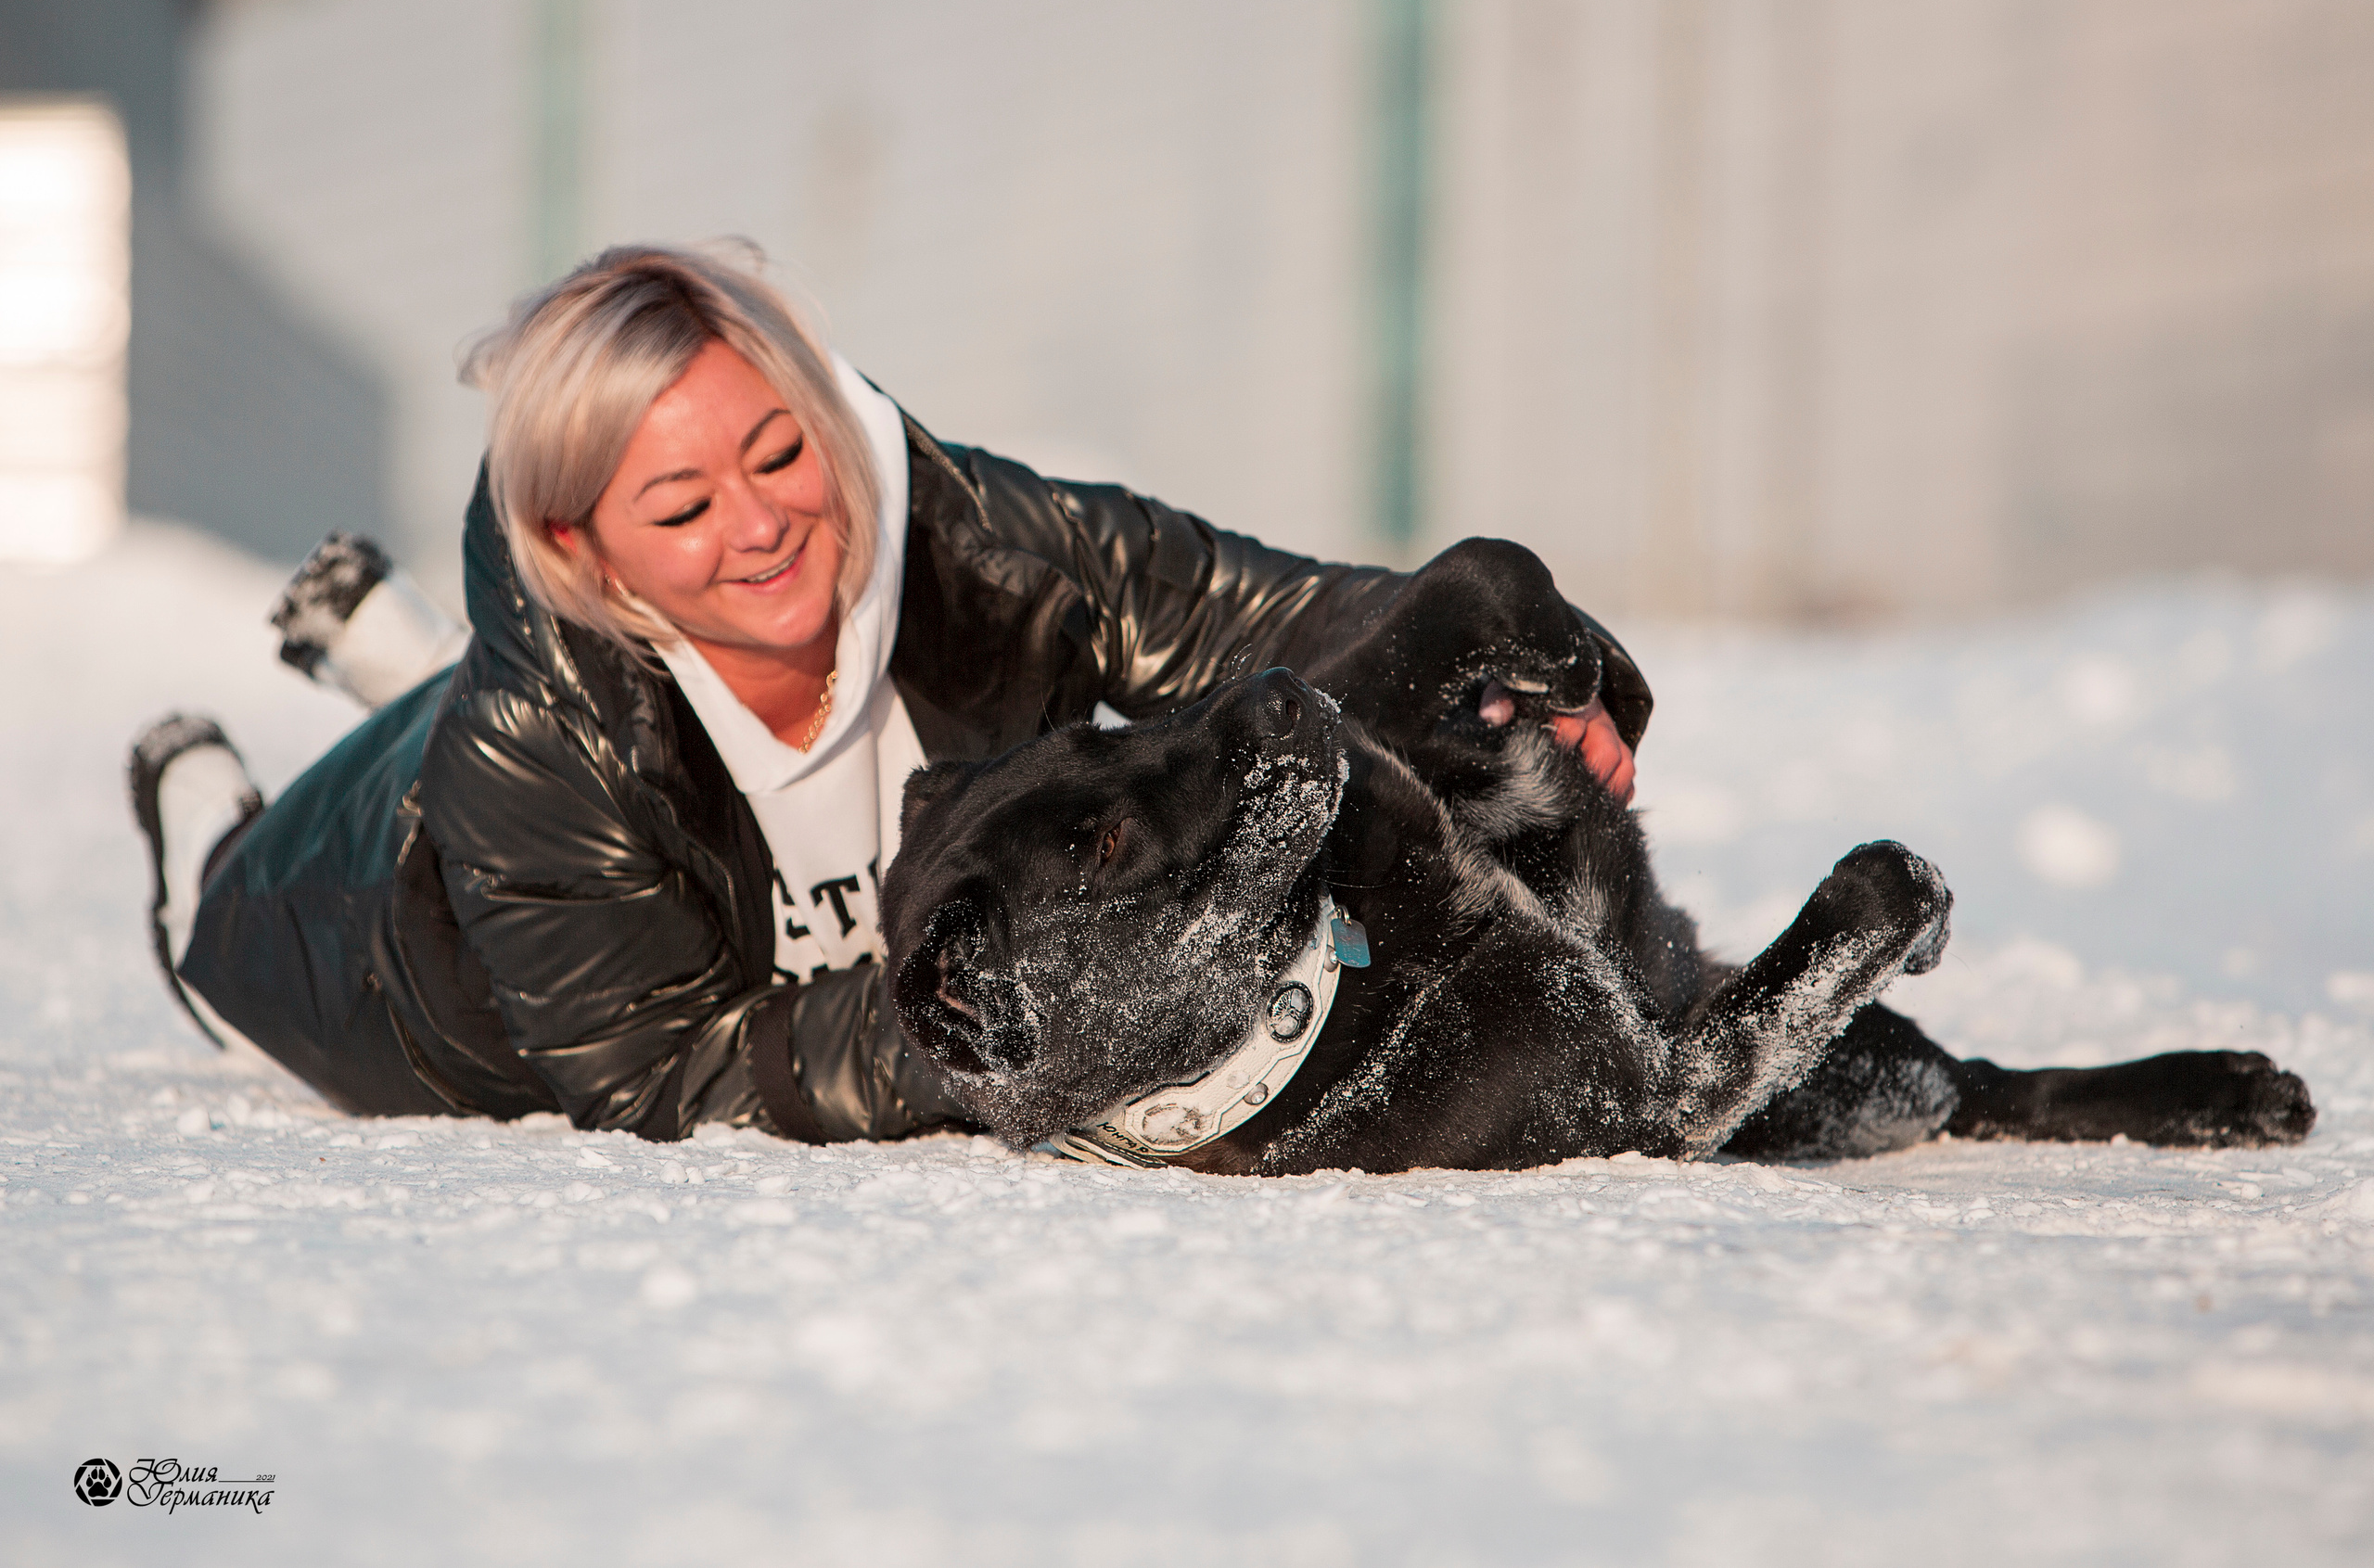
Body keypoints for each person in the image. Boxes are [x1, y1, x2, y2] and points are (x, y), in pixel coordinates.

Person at [128, 243, 1650, 1144]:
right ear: (584, 543)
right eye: (683, 506)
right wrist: (982, 1020)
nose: (764, 522)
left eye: (779, 451)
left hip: (579, 733)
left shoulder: (955, 526)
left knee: (514, 710)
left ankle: (400, 661)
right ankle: (225, 779)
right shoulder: (537, 760)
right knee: (232, 921)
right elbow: (674, 1071)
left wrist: (1468, 639)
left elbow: (1232, 613)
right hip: (368, 940)